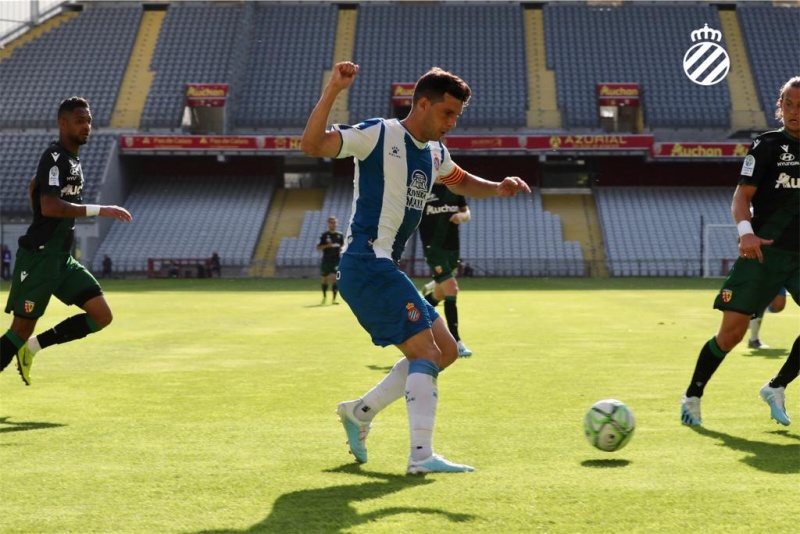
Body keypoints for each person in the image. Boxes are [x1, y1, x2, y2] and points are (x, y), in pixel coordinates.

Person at [301, 62, 530, 473]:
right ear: (422, 103)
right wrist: (333, 89)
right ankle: (421, 457)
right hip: (365, 263)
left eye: (457, 115)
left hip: (385, 266)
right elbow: (313, 145)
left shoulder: (436, 152)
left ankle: (359, 412)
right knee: (426, 351)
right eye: (447, 113)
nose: (452, 122)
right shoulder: (379, 134)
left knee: (446, 351)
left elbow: (460, 181)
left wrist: (498, 187)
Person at [681, 76, 799, 426]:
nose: (794, 111)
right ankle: (692, 396)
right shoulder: (767, 145)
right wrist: (745, 233)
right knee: (731, 334)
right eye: (788, 104)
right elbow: (741, 196)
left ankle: (776, 386)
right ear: (780, 107)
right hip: (762, 254)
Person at [0, 96, 133, 386]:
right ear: (63, 123)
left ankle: (32, 348)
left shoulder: (72, 160)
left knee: (101, 315)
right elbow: (50, 207)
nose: (86, 126)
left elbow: (35, 186)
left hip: (61, 260)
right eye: (79, 121)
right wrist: (102, 209)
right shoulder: (55, 156)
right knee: (18, 331)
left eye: (88, 121)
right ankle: (23, 344)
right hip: (40, 258)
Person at [418, 182, 473, 357]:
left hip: (452, 249)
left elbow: (467, 213)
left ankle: (413, 316)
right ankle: (456, 342)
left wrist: (461, 216)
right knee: (452, 289)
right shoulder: (422, 189)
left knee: (440, 294)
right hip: (433, 248)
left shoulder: (454, 189)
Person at [316, 216, 344, 304]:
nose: (333, 224)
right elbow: (318, 247)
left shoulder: (340, 235)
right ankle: (324, 297)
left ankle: (334, 299)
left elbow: (343, 246)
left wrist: (341, 248)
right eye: (332, 222)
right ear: (328, 224)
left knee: (335, 279)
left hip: (336, 260)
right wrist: (327, 246)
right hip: (326, 260)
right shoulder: (324, 235)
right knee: (325, 279)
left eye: (335, 222)